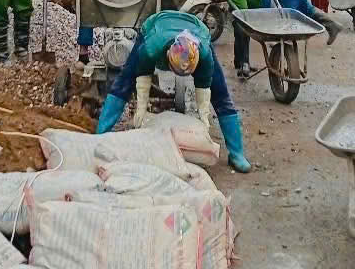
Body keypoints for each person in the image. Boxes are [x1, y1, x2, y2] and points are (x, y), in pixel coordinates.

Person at [97, 10, 252, 172]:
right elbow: (142, 77)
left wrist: (204, 120)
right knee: (124, 82)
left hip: (196, 28)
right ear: (166, 56)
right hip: (157, 25)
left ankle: (237, 154)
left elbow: (205, 89)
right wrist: (141, 111)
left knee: (221, 94)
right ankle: (100, 135)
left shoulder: (204, 54)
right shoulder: (151, 48)